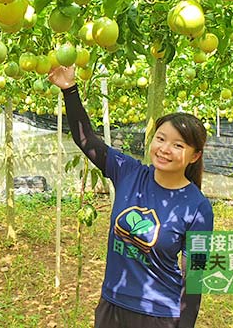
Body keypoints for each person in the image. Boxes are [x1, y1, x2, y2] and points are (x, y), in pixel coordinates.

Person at [49, 66, 213, 328]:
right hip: (112, 304)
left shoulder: (199, 207)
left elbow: (196, 274)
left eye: (178, 145)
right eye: (161, 139)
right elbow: (86, 140)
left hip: (159, 315)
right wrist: (69, 89)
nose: (165, 149)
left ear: (195, 155)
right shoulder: (128, 172)